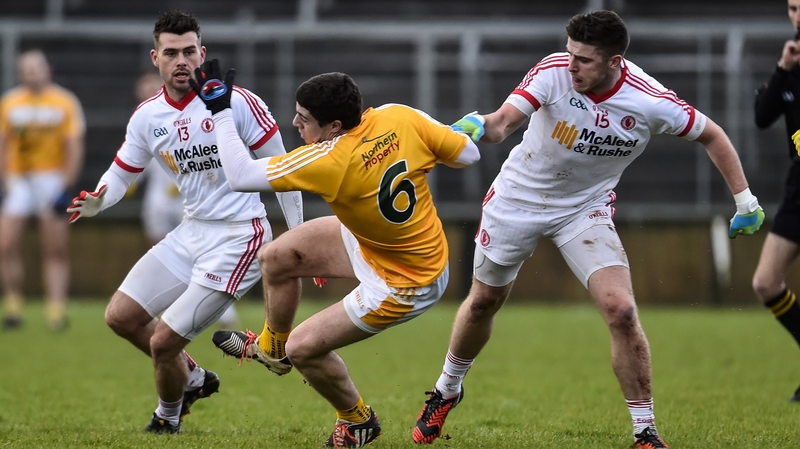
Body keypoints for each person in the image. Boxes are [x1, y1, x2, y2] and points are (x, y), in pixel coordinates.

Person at [412, 10, 765, 449]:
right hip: (517, 200)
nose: (571, 65)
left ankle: (645, 433)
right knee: (484, 302)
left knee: (622, 311)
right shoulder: (553, 72)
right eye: (570, 53)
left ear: (615, 61)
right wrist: (477, 124)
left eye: (584, 59)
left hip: (584, 208)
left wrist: (745, 201)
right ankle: (448, 388)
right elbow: (504, 123)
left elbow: (712, 135)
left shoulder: (651, 101)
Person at [192, 61, 480, 447]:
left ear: (334, 128)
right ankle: (270, 349)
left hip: (405, 282)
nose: (295, 124)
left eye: (304, 119)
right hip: (384, 244)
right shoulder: (400, 115)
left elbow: (241, 176)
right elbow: (468, 155)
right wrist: (444, 136)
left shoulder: (328, 158)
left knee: (304, 349)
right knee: (277, 257)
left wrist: (221, 112)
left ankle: (357, 420)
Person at [65, 10, 303, 434]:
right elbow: (122, 173)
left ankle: (167, 417)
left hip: (239, 236)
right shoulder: (147, 116)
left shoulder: (239, 101)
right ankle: (192, 378)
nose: (181, 61)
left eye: (189, 51)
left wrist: (298, 234)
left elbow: (285, 171)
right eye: (171, 52)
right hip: (191, 231)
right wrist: (101, 200)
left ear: (202, 53)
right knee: (121, 317)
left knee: (162, 342)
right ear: (155, 57)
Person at [133, 70, 240, 329]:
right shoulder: (145, 124)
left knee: (200, 253)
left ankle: (221, 307)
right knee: (162, 251)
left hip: (190, 199)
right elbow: (138, 162)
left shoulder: (189, 119)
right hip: (158, 200)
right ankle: (176, 305)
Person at [0, 49, 85, 331]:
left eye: (37, 67)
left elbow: (74, 146)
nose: (32, 72)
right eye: (26, 68)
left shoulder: (64, 101)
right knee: (6, 244)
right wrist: (3, 182)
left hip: (51, 177)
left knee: (55, 247)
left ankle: (56, 310)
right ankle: (13, 305)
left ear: (47, 69)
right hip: (18, 178)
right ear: (20, 73)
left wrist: (66, 186)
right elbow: (2, 145)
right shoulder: (9, 103)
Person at [753, 0, 800, 403]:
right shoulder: (791, 65)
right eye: (792, 8)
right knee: (765, 282)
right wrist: (782, 69)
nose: (797, 17)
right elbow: (762, 116)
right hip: (797, 193)